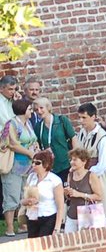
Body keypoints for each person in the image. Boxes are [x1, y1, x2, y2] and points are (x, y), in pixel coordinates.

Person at [3, 97, 39, 237]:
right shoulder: (12, 124)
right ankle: (10, 227)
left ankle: (23, 224)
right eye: (30, 109)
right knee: (11, 195)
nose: (32, 111)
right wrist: (30, 153)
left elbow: (33, 139)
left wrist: (35, 148)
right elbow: (13, 144)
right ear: (23, 110)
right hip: (14, 165)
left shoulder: (28, 123)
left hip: (28, 166)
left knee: (24, 194)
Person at [73, 104, 106, 217]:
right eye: (80, 117)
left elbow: (105, 162)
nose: (81, 121)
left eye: (84, 118)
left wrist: (90, 174)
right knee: (85, 215)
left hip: (97, 177)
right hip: (84, 175)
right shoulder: (82, 133)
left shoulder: (102, 137)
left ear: (93, 117)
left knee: (98, 214)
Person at [60, 145, 106, 232]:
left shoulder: (91, 175)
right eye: (71, 160)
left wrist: (80, 194)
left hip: (88, 214)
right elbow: (69, 197)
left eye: (75, 160)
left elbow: (99, 196)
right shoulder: (70, 175)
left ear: (84, 161)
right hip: (72, 215)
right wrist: (66, 193)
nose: (72, 162)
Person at [20, 149, 65, 237]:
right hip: (32, 216)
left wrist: (57, 228)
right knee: (33, 245)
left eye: (37, 163)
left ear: (46, 164)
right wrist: (28, 201)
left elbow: (60, 206)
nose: (34, 165)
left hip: (48, 217)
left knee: (44, 246)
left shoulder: (54, 180)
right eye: (33, 162)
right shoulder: (31, 177)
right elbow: (23, 200)